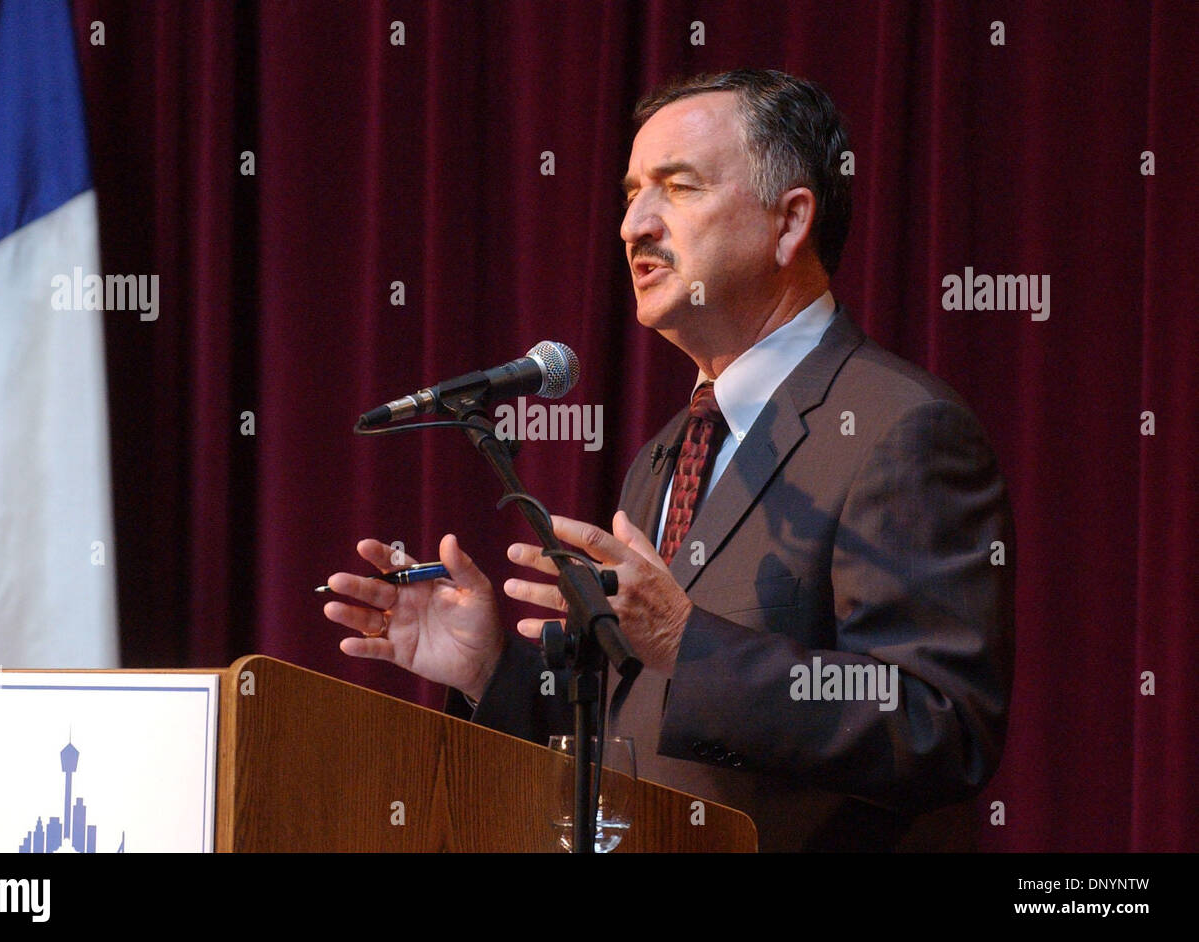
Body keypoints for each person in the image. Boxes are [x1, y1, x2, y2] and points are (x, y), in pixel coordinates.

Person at [324, 70, 1015, 851]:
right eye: (630, 193)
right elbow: (643, 727)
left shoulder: (902, 430)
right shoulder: (667, 453)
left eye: (675, 188)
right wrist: (491, 671)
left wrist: (691, 645)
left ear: (789, 224)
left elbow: (939, 727)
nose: (632, 225)